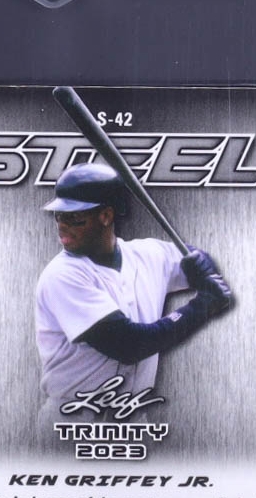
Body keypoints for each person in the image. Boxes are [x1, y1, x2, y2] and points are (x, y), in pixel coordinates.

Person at [35, 163, 233, 420]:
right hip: (72, 422)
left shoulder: (147, 254)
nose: (62, 225)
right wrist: (202, 307)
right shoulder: (62, 275)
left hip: (133, 420)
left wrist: (204, 268)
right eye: (59, 215)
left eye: (74, 217)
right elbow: (129, 344)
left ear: (106, 216)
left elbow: (196, 259)